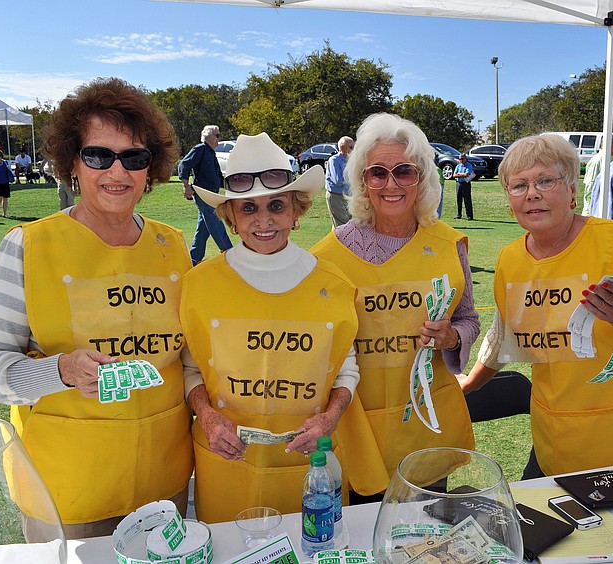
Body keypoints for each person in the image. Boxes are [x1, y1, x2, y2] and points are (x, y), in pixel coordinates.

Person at [0, 78, 193, 539]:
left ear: (151, 168)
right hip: (68, 492)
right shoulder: (27, 246)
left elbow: (188, 356)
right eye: (98, 155)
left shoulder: (172, 244)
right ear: (72, 162)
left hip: (164, 485)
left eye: (134, 157)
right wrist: (62, 372)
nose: (117, 171)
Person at [460, 133, 613, 479]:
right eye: (519, 185)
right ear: (509, 201)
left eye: (545, 181)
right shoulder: (510, 259)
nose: (532, 193)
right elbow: (503, 334)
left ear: (571, 191)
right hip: (557, 422)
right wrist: (471, 384)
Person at [183, 132, 367, 523]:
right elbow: (191, 367)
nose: (263, 221)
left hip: (312, 463)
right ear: (231, 216)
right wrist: (208, 416)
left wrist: (329, 419)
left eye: (277, 205)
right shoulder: (198, 284)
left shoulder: (334, 284)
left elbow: (347, 368)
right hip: (226, 462)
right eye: (248, 208)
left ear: (296, 211)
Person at [312, 113, 480, 500]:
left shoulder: (448, 245)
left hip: (426, 426)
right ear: (361, 181)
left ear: (422, 178)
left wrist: (453, 336)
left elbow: (469, 319)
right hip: (356, 426)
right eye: (377, 173)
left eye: (404, 171)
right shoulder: (327, 257)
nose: (391, 184)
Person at [179, 124, 233, 265]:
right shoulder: (200, 149)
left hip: (211, 195)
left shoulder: (211, 152)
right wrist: (186, 186)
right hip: (203, 194)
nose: (219, 139)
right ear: (209, 136)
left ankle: (194, 260)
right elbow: (183, 165)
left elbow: (218, 177)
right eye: (218, 135)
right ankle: (230, 254)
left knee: (203, 229)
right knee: (216, 222)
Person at [582, 135, 613, 214]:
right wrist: (589, 210)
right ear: (609, 144)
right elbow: (590, 186)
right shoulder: (597, 161)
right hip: (594, 212)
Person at [325, 136, 354, 227]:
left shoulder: (350, 160)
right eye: (351, 147)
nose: (353, 150)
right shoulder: (334, 160)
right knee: (341, 225)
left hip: (348, 196)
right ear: (342, 147)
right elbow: (338, 181)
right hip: (336, 196)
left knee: (349, 223)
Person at [453, 153, 474, 220]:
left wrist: (459, 174)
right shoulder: (458, 166)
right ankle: (459, 214)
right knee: (459, 199)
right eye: (460, 159)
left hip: (466, 184)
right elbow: (454, 175)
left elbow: (467, 174)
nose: (461, 160)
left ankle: (469, 215)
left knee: (467, 199)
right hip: (458, 183)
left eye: (462, 159)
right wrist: (461, 174)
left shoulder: (468, 165)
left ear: (465, 158)